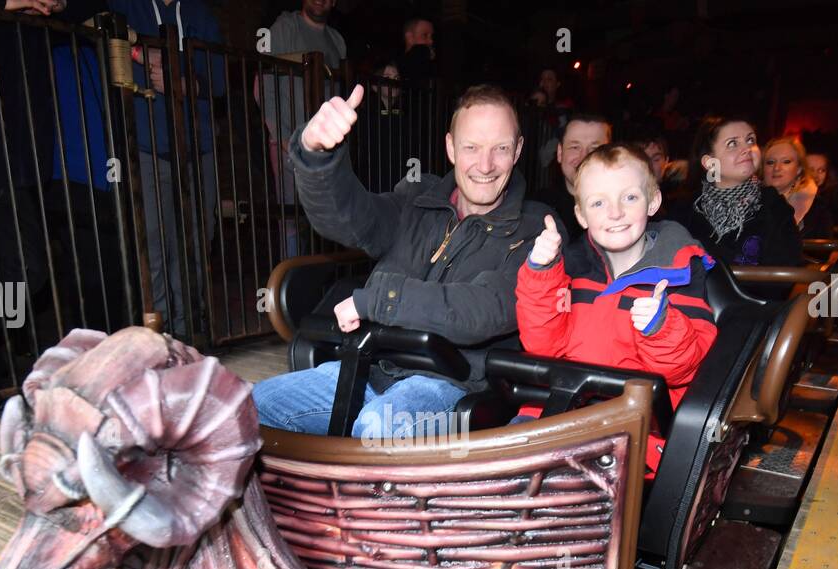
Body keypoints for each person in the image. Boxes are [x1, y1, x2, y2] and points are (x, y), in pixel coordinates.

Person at [252, 84, 551, 440]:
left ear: (517, 151)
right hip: (371, 365)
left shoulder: (537, 228)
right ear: (451, 148)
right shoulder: (417, 199)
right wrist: (317, 157)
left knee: (377, 428)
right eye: (471, 147)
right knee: (252, 407)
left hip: (455, 386)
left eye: (500, 148)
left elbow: (485, 309)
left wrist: (380, 299)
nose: (485, 165)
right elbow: (350, 219)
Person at [514, 144, 717, 477]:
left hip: (632, 433)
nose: (615, 213)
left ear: (653, 201)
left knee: (558, 497)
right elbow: (542, 347)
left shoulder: (679, 273)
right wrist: (541, 272)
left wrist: (661, 327)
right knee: (490, 479)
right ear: (580, 215)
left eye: (630, 198)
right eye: (598, 202)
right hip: (553, 413)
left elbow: (685, 371)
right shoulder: (572, 269)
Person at [108, 0, 224, 344]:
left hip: (196, 147)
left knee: (196, 240)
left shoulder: (200, 14)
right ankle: (157, 337)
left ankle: (190, 334)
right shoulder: (127, 7)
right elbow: (105, 37)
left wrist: (186, 83)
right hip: (145, 147)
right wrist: (144, 54)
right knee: (153, 245)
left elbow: (217, 78)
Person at [256, 0, 347, 258]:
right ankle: (292, 290)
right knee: (291, 220)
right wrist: (284, 139)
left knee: (325, 220)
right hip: (289, 146)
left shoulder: (337, 40)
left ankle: (320, 287)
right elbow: (262, 87)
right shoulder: (284, 29)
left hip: (327, 152)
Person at [666, 116, 803, 267]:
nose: (747, 149)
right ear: (710, 162)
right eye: (732, 143)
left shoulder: (773, 205)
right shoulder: (686, 210)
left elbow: (785, 270)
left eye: (751, 140)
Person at [530, 113, 611, 237]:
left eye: (594, 149)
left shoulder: (625, 210)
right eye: (574, 147)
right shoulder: (536, 210)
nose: (583, 157)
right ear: (560, 153)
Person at [763, 136, 832, 238]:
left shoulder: (817, 206)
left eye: (786, 162)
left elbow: (822, 250)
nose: (777, 168)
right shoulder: (746, 199)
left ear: (799, 169)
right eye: (770, 162)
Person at [394, 16, 435, 84]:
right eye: (425, 35)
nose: (431, 41)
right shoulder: (398, 65)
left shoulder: (429, 63)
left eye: (431, 36)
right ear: (410, 37)